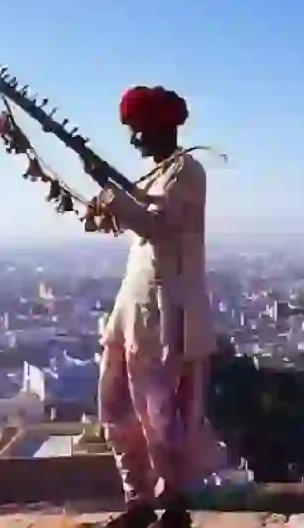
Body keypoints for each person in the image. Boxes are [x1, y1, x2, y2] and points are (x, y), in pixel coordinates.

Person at [92, 85, 223, 528]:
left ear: (160, 127)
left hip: (168, 312)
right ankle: (139, 500)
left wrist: (112, 195)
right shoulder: (157, 174)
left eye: (137, 130)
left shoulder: (187, 172)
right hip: (135, 307)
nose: (133, 141)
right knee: (119, 408)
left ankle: (172, 504)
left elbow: (159, 226)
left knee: (164, 416)